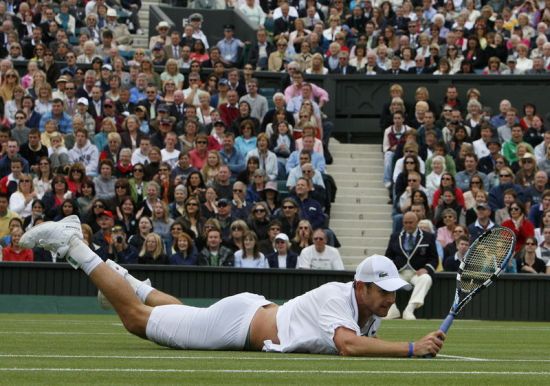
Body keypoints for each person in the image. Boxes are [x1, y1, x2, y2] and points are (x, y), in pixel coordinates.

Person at [19, 217, 445, 357]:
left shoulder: (365, 311)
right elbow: (348, 347)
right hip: (239, 324)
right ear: (361, 286)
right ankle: (72, 244)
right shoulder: (339, 296)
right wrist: (411, 348)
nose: (390, 298)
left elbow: (358, 339)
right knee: (135, 320)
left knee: (183, 313)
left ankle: (120, 276)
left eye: (393, 292)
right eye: (383, 291)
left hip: (248, 314)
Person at [384, 211, 438, 320]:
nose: (408, 225)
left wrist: (426, 269)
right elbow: (388, 257)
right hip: (399, 272)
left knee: (426, 278)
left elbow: (434, 258)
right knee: (384, 278)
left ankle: (409, 310)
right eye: (405, 222)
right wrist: (392, 269)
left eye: (411, 222)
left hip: (417, 272)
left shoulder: (428, 237)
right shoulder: (395, 236)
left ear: (417, 222)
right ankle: (392, 310)